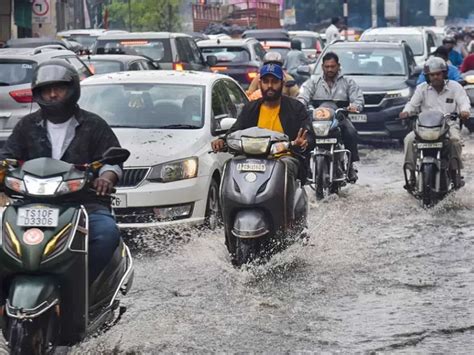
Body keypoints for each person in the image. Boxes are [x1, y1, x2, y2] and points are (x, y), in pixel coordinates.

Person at [0, 60, 123, 283]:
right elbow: (7, 158)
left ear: (73, 89)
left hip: (84, 203)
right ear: (38, 94)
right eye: (47, 90)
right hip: (30, 204)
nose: (53, 94)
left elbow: (111, 161)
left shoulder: (94, 125)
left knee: (106, 235)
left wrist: (106, 177)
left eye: (59, 88)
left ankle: (83, 288)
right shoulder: (26, 125)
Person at [212, 63, 315, 215]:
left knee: (286, 166)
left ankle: (286, 218)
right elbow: (236, 130)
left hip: (284, 158)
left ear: (282, 84)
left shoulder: (296, 108)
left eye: (274, 82)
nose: (270, 86)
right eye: (266, 82)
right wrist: (222, 140)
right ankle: (227, 216)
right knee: (230, 165)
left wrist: (303, 142)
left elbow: (309, 135)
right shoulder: (250, 108)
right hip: (251, 159)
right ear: (260, 84)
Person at [399, 57, 470, 189]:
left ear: (444, 74)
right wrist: (406, 112)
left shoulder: (455, 87)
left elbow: (464, 102)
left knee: (455, 141)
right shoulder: (421, 89)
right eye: (432, 75)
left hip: (448, 125)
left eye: (438, 74)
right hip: (424, 127)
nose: (435, 77)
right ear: (427, 76)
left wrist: (464, 111)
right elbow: (412, 104)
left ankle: (454, 173)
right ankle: (412, 175)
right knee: (409, 140)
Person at [298, 52, 364, 182]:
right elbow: (303, 96)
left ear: (338, 66)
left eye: (332, 66)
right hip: (317, 120)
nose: (330, 69)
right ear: (322, 67)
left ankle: (350, 166)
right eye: (327, 66)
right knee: (304, 137)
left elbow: (358, 99)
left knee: (351, 132)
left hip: (339, 118)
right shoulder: (313, 82)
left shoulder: (347, 82)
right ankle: (305, 169)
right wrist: (299, 105)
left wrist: (355, 106)